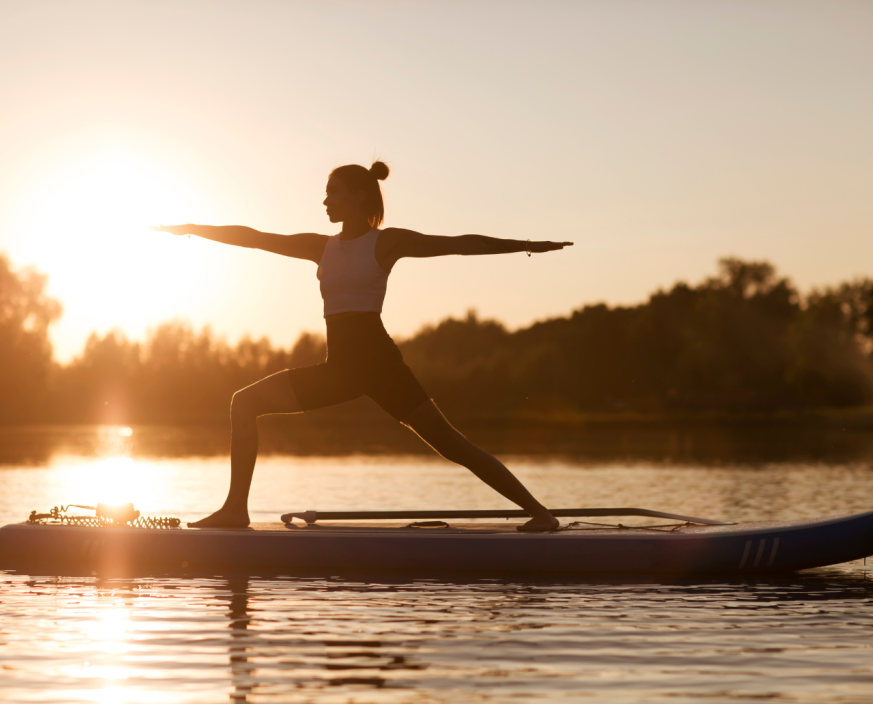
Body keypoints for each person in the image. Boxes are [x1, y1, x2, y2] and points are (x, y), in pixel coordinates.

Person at [151, 161, 572, 531]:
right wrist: (191, 229)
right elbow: (254, 236)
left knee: (452, 445)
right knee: (244, 403)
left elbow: (461, 243)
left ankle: (540, 513)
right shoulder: (321, 247)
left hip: (380, 366)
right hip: (340, 371)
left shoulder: (386, 242)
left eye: (332, 192)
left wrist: (528, 246)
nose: (325, 201)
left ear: (355, 197)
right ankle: (234, 510)